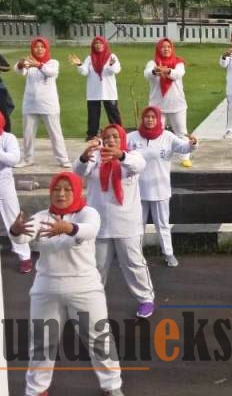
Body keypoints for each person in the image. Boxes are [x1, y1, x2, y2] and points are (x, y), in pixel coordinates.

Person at [9, 172, 125, 396]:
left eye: (67, 189)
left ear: (76, 191)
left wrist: (68, 228)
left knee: (100, 340)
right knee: (41, 343)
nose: (61, 194)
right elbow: (23, 237)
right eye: (56, 189)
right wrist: (16, 230)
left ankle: (112, 387)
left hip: (86, 289)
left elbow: (90, 230)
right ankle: (36, 390)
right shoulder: (43, 216)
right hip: (46, 290)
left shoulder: (87, 213)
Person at [74, 124, 155, 319]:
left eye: (115, 137)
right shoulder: (95, 158)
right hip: (99, 224)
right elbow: (77, 172)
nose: (111, 141)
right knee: (97, 266)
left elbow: (139, 165)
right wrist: (85, 156)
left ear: (122, 140)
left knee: (133, 263)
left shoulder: (132, 157)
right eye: (108, 137)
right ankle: (92, 303)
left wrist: (120, 156)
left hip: (127, 224)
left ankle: (146, 298)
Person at [128, 107, 197, 268]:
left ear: (158, 119)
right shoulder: (132, 137)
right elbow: (118, 148)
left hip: (160, 189)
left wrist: (193, 144)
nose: (150, 120)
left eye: (153, 117)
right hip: (137, 190)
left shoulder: (167, 136)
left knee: (163, 224)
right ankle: (135, 255)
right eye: (147, 117)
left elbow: (184, 148)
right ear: (142, 118)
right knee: (137, 224)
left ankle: (168, 253)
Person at [15, 37, 71, 168]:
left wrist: (38, 65)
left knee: (55, 133)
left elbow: (51, 72)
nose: (39, 49)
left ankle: (63, 159)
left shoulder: (53, 62)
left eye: (42, 46)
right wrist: (21, 63)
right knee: (28, 134)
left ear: (46, 48)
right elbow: (18, 70)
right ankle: (28, 159)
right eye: (36, 46)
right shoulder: (29, 62)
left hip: (48, 105)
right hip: (30, 104)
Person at [0, 107, 31, 273]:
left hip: (3, 186)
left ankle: (25, 257)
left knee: (13, 220)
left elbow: (14, 159)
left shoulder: (7, 138)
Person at [144, 38, 192, 167]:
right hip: (157, 106)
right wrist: (155, 71)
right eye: (163, 47)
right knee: (157, 133)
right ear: (158, 49)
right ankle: (156, 156)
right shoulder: (152, 62)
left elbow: (178, 74)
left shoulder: (178, 62)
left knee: (181, 132)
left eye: (168, 47)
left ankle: (185, 157)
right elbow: (147, 74)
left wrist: (167, 71)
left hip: (177, 104)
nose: (166, 49)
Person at [69, 36, 122, 140]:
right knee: (93, 114)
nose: (98, 45)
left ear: (104, 44)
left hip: (108, 90)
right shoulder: (90, 58)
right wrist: (79, 64)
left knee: (113, 112)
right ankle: (92, 134)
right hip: (94, 90)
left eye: (100, 43)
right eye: (96, 43)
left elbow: (116, 70)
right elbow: (84, 72)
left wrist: (111, 65)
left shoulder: (111, 56)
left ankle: (119, 133)